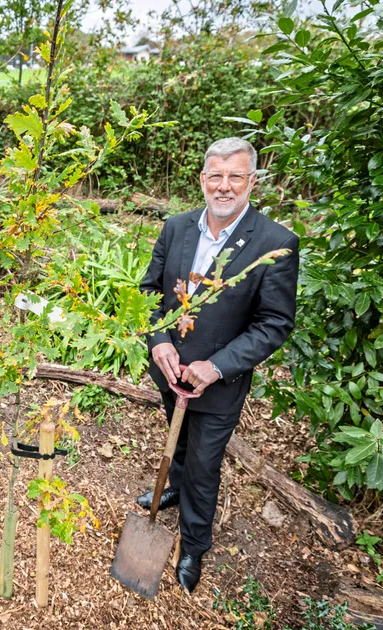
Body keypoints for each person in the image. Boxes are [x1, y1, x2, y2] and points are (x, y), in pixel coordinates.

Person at [138, 137, 299, 593]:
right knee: (179, 439)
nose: (224, 186)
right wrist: (159, 341)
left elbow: (274, 323)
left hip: (219, 383)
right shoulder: (176, 228)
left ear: (252, 181)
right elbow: (149, 291)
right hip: (170, 371)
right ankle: (173, 489)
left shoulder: (276, 242)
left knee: (206, 463)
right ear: (202, 179)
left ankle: (194, 543)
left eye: (235, 177)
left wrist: (217, 366)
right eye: (216, 176)